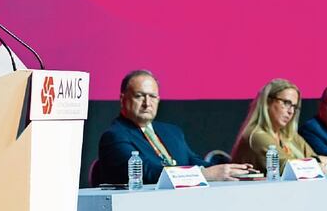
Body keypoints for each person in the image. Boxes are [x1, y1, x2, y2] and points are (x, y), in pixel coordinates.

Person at [98, 70, 253, 184]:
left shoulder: (171, 131)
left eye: (152, 96)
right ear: (122, 99)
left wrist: (230, 171)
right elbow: (148, 173)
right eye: (139, 96)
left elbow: (193, 160)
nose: (147, 103)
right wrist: (203, 175)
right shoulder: (114, 137)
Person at [231, 79, 327, 176]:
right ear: (268, 102)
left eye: (294, 107)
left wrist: (316, 162)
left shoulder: (288, 136)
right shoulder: (256, 136)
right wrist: (317, 163)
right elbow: (288, 168)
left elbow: (315, 159)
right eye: (286, 103)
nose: (291, 111)